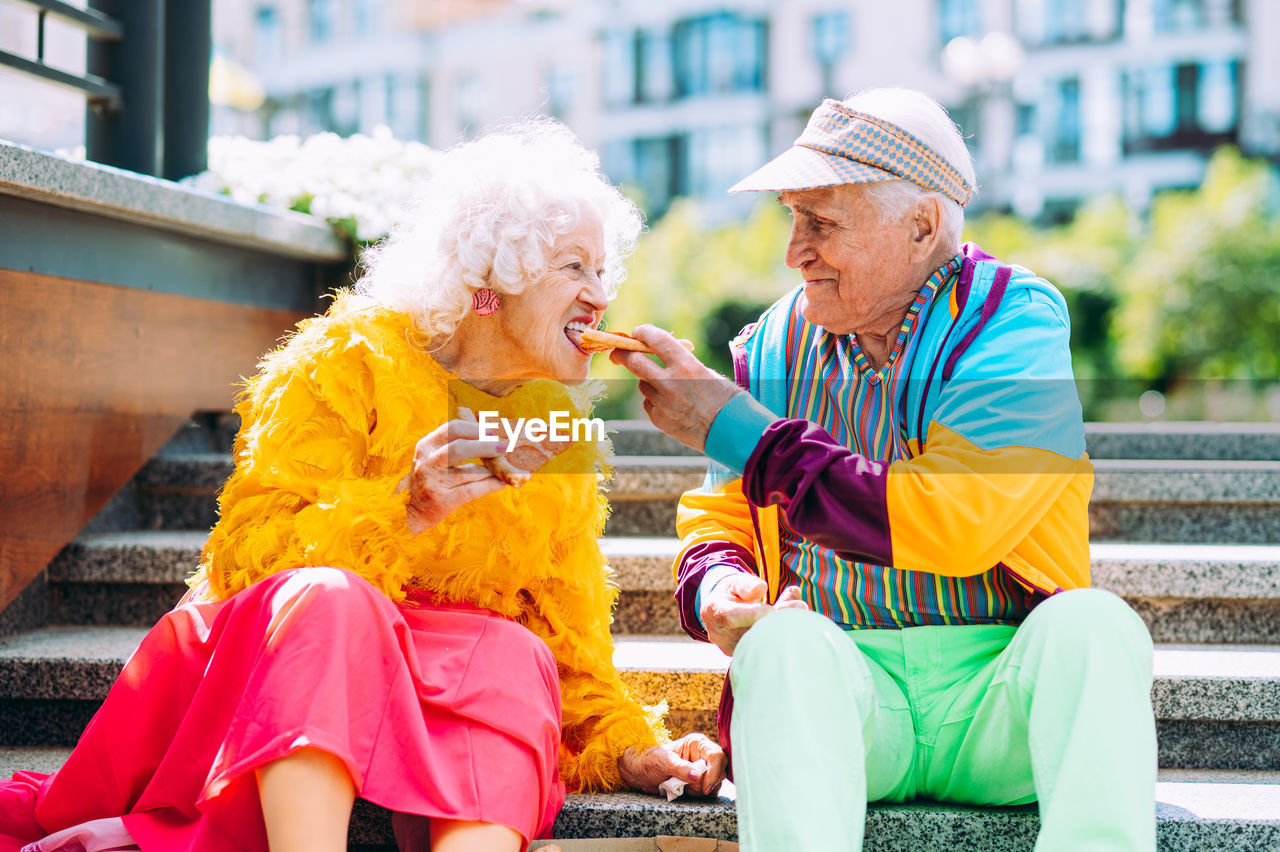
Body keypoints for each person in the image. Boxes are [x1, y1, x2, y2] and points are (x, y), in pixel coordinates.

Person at [0, 121, 725, 852]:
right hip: (289, 652)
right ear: (490, 284)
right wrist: (404, 512)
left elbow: (570, 645)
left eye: (603, 272)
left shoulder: (551, 429)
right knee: (334, 601)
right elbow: (246, 555)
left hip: (442, 677)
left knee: (513, 653)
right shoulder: (343, 360)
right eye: (575, 268)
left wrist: (631, 749)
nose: (600, 296)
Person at [611, 89, 1156, 850]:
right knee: (780, 645)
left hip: (998, 698)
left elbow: (953, 524)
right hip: (849, 699)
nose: (795, 250)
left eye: (822, 223)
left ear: (923, 225)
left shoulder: (1019, 322)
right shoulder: (768, 345)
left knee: (1097, 626)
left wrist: (744, 434)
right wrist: (718, 589)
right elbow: (719, 520)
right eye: (793, 219)